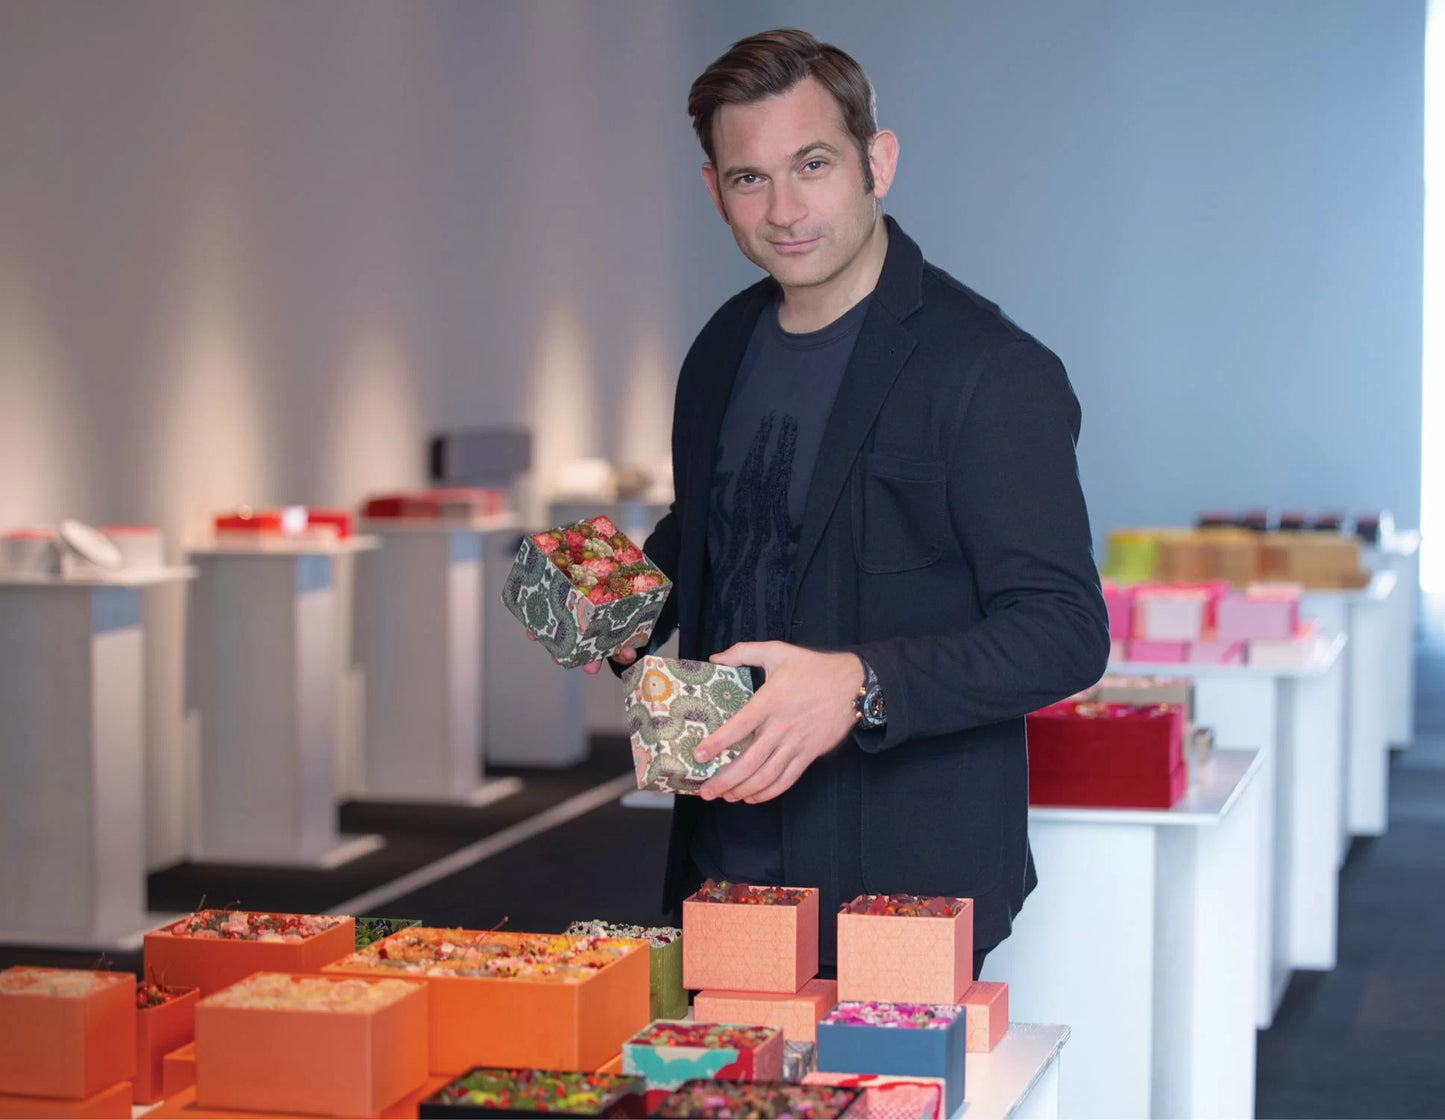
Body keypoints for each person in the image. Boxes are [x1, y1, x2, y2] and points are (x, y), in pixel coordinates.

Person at [600, 28, 1110, 974]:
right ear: (713, 191)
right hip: (723, 854)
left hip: (900, 877)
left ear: (878, 161)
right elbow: (724, 530)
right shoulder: (721, 346)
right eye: (749, 178)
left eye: (814, 164)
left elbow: (1066, 631)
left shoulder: (990, 371)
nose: (785, 210)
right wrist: (621, 593)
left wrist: (860, 683)